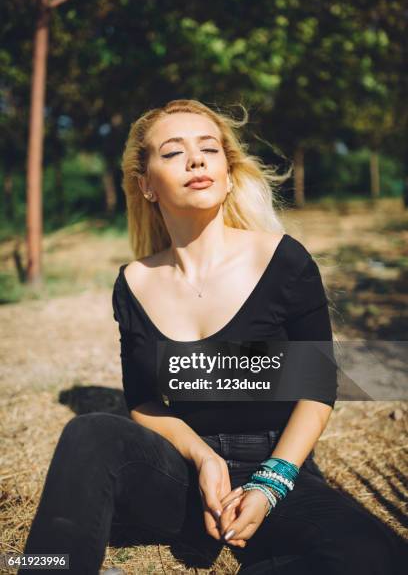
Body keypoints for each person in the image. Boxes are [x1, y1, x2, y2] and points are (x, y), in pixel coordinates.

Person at [19, 99, 403, 575]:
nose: (196, 160)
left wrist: (270, 483)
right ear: (146, 185)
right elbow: (142, 401)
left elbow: (317, 388)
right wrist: (202, 458)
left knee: (377, 556)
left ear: (227, 171)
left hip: (277, 471)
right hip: (182, 477)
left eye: (209, 149)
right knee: (90, 432)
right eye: (173, 152)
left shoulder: (283, 261)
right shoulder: (133, 282)